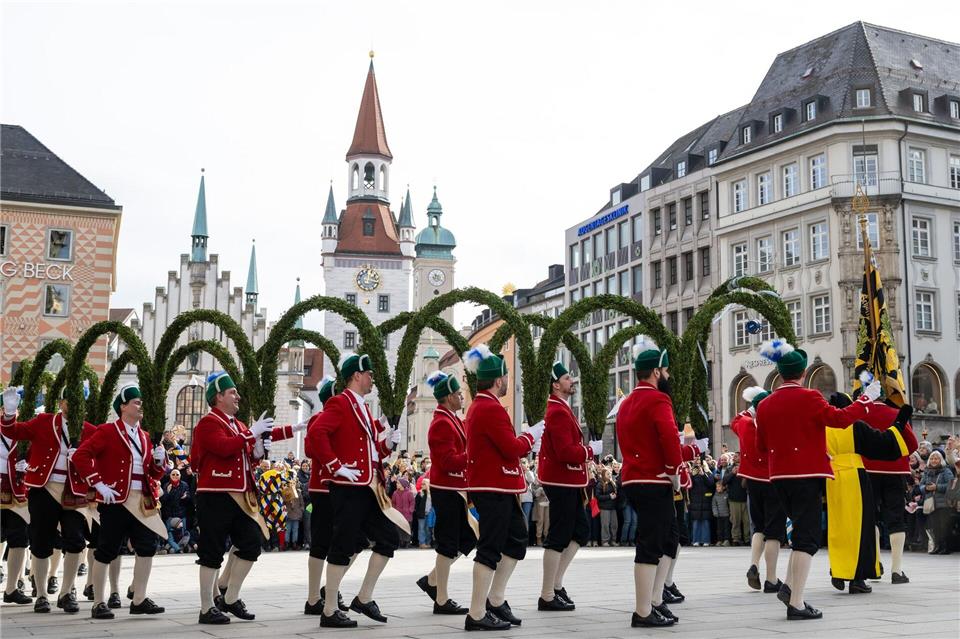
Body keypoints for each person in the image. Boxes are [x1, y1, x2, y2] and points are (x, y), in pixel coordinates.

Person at [755, 340, 882, 620]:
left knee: (800, 533)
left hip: (778, 476)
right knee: (807, 538)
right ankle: (797, 602)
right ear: (801, 374)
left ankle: (789, 587)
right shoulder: (810, 397)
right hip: (806, 475)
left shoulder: (764, 404)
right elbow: (840, 419)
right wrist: (865, 401)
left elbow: (762, 446)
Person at [190, 371, 304, 625]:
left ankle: (230, 597)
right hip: (215, 495)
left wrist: (287, 432)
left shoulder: (236, 424)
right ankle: (207, 607)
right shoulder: (209, 423)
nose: (237, 396)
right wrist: (250, 435)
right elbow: (223, 447)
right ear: (218, 396)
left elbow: (251, 447)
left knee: (252, 543)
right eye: (232, 392)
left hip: (241, 495)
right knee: (212, 551)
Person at [310, 354, 404, 629]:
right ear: (356, 376)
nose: (372, 378)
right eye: (369, 373)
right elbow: (317, 435)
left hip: (366, 487)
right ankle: (328, 609)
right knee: (343, 544)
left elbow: (369, 451)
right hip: (348, 487)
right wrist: (335, 466)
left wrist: (386, 444)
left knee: (388, 539)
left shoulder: (361, 406)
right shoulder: (340, 402)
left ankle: (364, 597)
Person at [462, 344, 544, 631]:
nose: (509, 381)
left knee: (516, 540)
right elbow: (511, 448)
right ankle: (476, 612)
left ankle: (495, 600)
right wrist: (529, 436)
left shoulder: (483, 405)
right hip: (493, 487)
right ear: (498, 380)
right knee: (490, 548)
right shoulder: (489, 408)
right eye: (507, 376)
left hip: (498, 485)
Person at [73, 383, 169, 619]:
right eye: (136, 402)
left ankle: (139, 599)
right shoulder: (107, 431)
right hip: (116, 499)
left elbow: (150, 474)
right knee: (107, 549)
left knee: (147, 547)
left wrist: (158, 464)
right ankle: (98, 602)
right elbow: (81, 455)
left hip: (141, 500)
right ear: (123, 407)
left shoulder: (145, 436)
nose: (141, 406)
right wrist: (97, 483)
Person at [1, 385, 96, 614]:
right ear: (61, 403)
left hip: (73, 490)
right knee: (41, 541)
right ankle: (42, 594)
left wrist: (85, 460)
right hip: (44, 488)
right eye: (69, 402)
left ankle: (66, 592)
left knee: (75, 540)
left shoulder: (90, 431)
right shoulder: (44, 421)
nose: (73, 408)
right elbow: (14, 431)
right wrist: (9, 413)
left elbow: (103, 456)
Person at [616, 336, 681, 628]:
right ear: (656, 371)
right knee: (652, 543)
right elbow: (668, 437)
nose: (667, 377)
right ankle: (643, 610)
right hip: (654, 478)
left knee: (666, 539)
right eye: (665, 371)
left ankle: (655, 601)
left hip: (634, 477)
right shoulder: (658, 399)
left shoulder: (626, 402)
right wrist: (674, 471)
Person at [824, 393, 917, 594]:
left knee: (838, 527)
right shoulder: (855, 425)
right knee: (862, 527)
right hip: (854, 475)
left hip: (831, 477)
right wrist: (901, 420)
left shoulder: (823, 427)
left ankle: (838, 570)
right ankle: (861, 577)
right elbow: (884, 442)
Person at [535, 362, 601, 611]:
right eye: (566, 378)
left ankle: (556, 585)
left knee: (580, 531)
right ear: (555, 384)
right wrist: (588, 450)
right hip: (561, 479)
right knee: (560, 535)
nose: (571, 380)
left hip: (569, 479)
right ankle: (547, 594)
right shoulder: (557, 411)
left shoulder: (562, 408)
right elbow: (565, 451)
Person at [415, 370, 475, 615]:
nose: (462, 397)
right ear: (448, 397)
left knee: (469, 538)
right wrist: (474, 457)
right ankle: (441, 598)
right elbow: (448, 461)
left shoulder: (450, 418)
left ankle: (431, 580)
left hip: (457, 488)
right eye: (458, 394)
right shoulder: (440, 422)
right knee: (448, 542)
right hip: (447, 489)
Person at [731, 386, 786, 593]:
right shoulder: (777, 426)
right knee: (774, 532)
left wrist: (752, 409)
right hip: (773, 480)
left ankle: (754, 563)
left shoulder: (744, 424)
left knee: (759, 527)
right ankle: (771, 579)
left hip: (752, 481)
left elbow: (737, 418)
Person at [302, 376, 349, 616]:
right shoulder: (318, 418)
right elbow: (311, 448)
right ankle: (313, 598)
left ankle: (329, 589)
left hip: (340, 487)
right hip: (322, 488)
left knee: (345, 542)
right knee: (321, 544)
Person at [861, 394, 920, 583]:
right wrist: (898, 455)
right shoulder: (896, 413)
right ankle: (896, 570)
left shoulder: (862, 413)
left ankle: (875, 566)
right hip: (894, 471)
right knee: (895, 518)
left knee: (871, 518)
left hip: (868, 470)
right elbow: (913, 444)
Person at [1, 394, 31, 606]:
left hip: (18, 492)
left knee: (19, 539)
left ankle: (11, 587)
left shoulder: (24, 434)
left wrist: (28, 467)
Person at [921, 450, 955, 554]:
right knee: (935, 527)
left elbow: (951, 485)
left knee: (944, 526)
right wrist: (926, 488)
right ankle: (938, 546)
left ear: (941, 460)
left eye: (936, 458)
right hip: (931, 503)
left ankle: (945, 547)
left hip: (943, 503)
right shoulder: (926, 471)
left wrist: (937, 487)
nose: (933, 460)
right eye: (932, 458)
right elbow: (920, 486)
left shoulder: (946, 471)